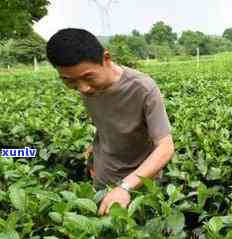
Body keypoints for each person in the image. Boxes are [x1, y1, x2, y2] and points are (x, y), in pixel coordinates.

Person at [46, 29, 175, 215]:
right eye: (69, 81)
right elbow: (107, 122)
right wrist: (94, 153)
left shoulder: (143, 88)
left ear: (106, 58)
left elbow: (165, 147)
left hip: (140, 178)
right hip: (103, 174)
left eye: (88, 77)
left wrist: (125, 187)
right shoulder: (86, 86)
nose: (83, 88)